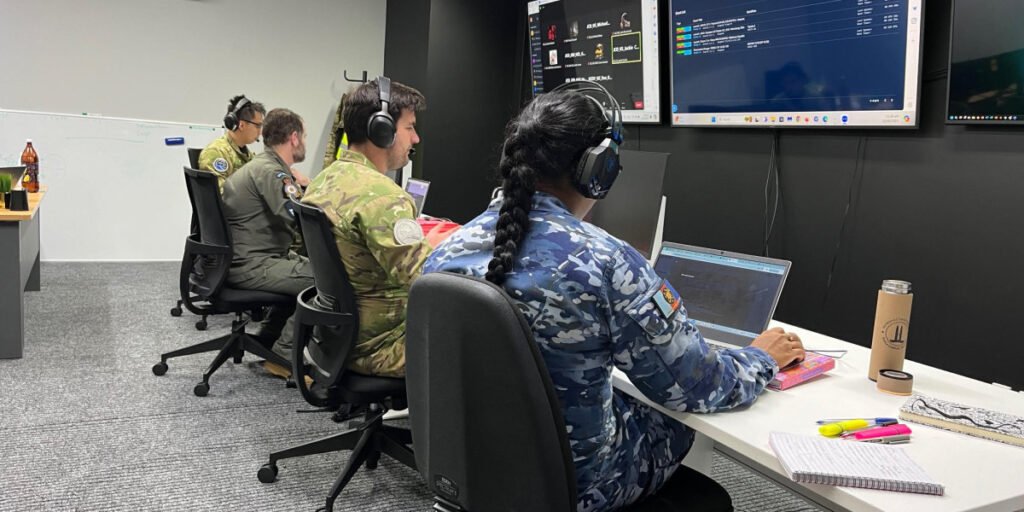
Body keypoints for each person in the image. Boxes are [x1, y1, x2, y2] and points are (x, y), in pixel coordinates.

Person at [423, 84, 805, 511]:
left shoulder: (446, 249)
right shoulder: (608, 263)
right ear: (598, 170)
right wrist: (761, 357)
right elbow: (696, 386)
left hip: (475, 463)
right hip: (579, 484)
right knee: (672, 419)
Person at [302, 77, 453, 378]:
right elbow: (428, 281)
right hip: (381, 345)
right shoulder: (385, 197)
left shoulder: (324, 180)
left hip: (334, 338)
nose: (416, 139)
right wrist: (455, 249)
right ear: (382, 130)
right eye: (410, 127)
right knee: (493, 337)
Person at [221, 108, 314, 375]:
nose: (304, 142)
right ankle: (284, 355)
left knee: (309, 269)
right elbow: (300, 217)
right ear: (294, 138)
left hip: (244, 258)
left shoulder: (263, 166)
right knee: (329, 283)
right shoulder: (273, 173)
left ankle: (269, 339)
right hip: (252, 264)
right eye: (304, 136)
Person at [199, 95, 265, 191]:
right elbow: (221, 195)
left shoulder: (245, 155)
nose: (260, 132)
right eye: (258, 126)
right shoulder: (217, 152)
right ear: (241, 125)